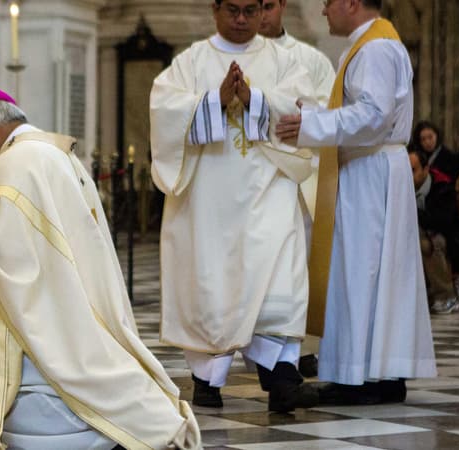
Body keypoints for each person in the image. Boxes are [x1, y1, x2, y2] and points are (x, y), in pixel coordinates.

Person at [0, 89, 201, 450]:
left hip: (48, 323)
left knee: (45, 396)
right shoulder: (54, 152)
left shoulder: (14, 164)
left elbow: (16, 266)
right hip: (76, 302)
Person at [150, 0, 318, 413]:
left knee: (281, 282)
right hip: (210, 204)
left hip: (269, 196)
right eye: (233, 10)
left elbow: (305, 108)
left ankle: (283, 380)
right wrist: (214, 101)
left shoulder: (282, 62)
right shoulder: (191, 61)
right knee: (214, 288)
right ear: (215, 10)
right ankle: (207, 382)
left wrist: (255, 99)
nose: (242, 20)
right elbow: (163, 111)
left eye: (250, 10)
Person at [275, 0, 436, 405]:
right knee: (370, 272)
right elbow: (364, 112)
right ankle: (376, 374)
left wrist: (312, 125)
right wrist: (314, 115)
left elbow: (373, 116)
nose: (325, 10)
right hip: (372, 167)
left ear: (350, 2)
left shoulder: (376, 47)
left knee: (361, 270)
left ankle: (358, 379)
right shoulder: (369, 43)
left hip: (370, 170)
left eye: (328, 2)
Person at [259, 0, 336, 378]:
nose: (260, 15)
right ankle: (230, 356)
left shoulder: (312, 60)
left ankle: (297, 350)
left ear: (282, 6)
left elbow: (329, 113)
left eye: (268, 6)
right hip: (249, 184)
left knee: (296, 269)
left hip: (296, 181)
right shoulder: (228, 61)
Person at [410, 148, 459, 314]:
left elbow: (441, 221)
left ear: (426, 169)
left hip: (450, 239)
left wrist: (414, 211)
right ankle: (457, 287)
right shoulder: (403, 187)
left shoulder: (443, 187)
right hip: (421, 234)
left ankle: (447, 295)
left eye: (413, 170)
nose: (408, 175)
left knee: (429, 245)